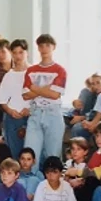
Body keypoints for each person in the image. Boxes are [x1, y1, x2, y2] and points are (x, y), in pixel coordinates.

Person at [22, 34, 67, 167]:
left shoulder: (60, 70)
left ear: (53, 47)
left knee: (53, 155)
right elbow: (25, 95)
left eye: (47, 45)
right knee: (30, 153)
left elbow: (55, 95)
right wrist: (46, 89)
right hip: (35, 113)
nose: (44, 48)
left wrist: (34, 88)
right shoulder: (31, 70)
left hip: (53, 114)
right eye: (41, 45)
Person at [0, 39, 31, 159]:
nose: (18, 56)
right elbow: (2, 101)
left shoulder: (33, 73)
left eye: (21, 52)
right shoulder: (9, 75)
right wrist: (11, 111)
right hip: (12, 118)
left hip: (31, 117)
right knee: (15, 154)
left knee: (31, 152)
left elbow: (40, 98)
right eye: (15, 53)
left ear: (27, 53)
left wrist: (30, 110)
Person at [68, 74, 101, 141]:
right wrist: (75, 103)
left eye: (98, 83)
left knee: (77, 128)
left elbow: (99, 116)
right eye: (93, 84)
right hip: (83, 116)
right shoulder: (90, 93)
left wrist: (82, 118)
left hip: (92, 120)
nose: (95, 86)